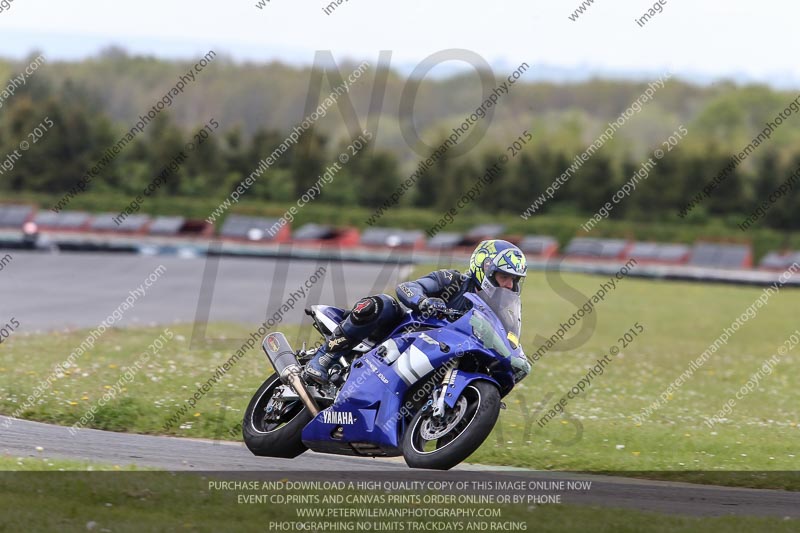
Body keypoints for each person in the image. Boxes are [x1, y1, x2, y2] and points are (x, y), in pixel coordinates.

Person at [304, 239, 531, 385]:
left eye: (514, 280)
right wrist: (423, 302)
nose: (510, 286)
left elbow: (506, 336)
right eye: (504, 277)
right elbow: (407, 287)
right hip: (404, 335)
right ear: (485, 269)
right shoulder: (453, 280)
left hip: (444, 353)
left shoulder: (497, 310)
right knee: (380, 304)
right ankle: (324, 356)